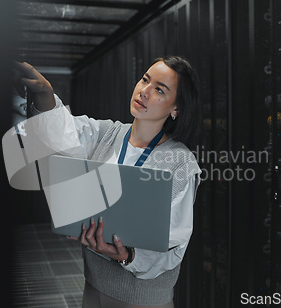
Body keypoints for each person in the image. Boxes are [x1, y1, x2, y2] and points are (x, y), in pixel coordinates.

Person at [13, 56, 202, 307]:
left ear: (176, 108)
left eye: (159, 89)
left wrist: (127, 255)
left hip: (143, 300)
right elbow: (63, 132)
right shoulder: (106, 133)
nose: (144, 91)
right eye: (145, 80)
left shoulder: (180, 163)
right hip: (93, 287)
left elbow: (174, 246)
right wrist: (45, 93)